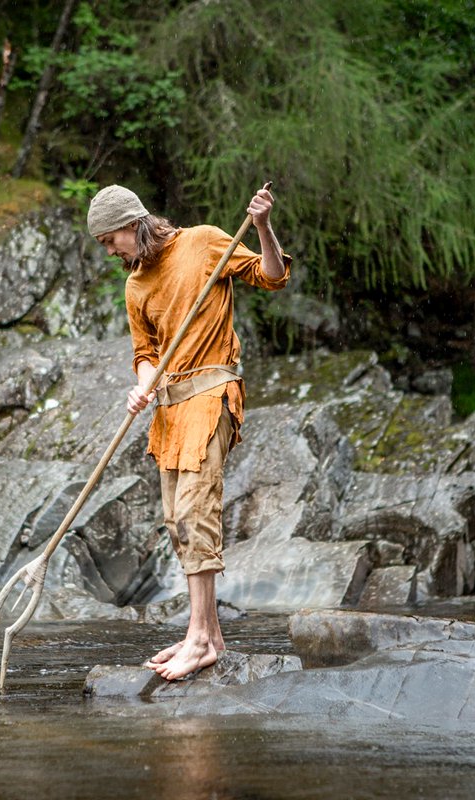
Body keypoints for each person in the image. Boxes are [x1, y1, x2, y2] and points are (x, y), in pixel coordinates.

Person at [87, 183, 291, 680]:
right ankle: (208, 632)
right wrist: (142, 387)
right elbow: (145, 354)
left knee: (197, 510)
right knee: (177, 520)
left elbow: (272, 276)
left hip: (212, 391)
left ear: (133, 223)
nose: (109, 250)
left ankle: (200, 639)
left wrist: (262, 225)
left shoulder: (201, 242)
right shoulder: (136, 285)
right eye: (103, 245)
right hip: (170, 408)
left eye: (111, 239)